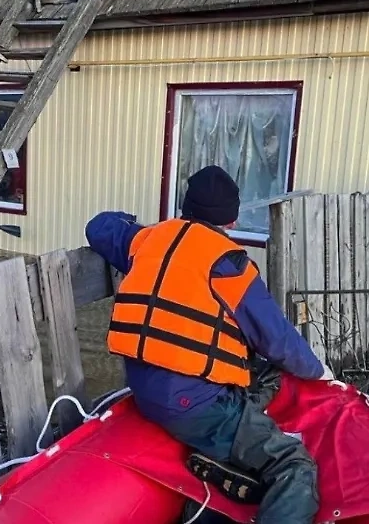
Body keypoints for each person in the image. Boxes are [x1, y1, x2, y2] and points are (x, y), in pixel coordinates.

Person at [85, 165, 333, 524]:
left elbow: (99, 226)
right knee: (294, 465)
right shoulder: (230, 264)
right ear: (230, 222)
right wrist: (320, 372)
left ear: (186, 210)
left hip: (144, 388)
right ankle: (230, 459)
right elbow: (277, 339)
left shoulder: (149, 240)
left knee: (261, 376)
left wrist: (130, 221)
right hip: (193, 403)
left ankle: (223, 457)